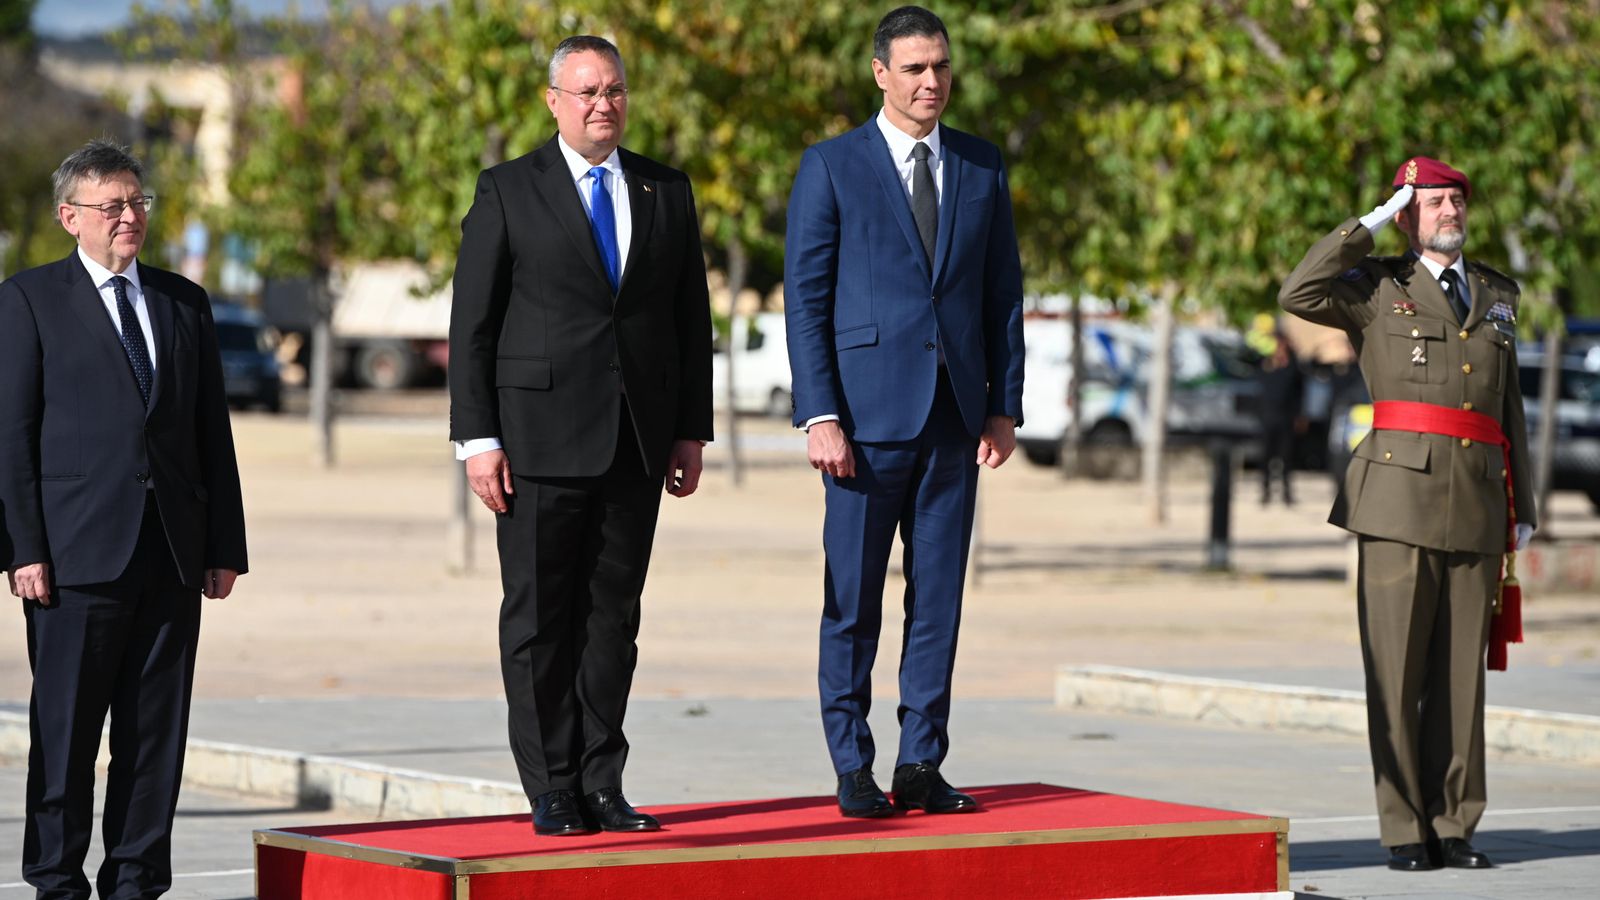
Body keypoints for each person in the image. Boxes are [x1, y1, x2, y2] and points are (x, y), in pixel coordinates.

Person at [448, 35, 712, 837]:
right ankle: (552, 787)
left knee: (613, 619)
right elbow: (473, 329)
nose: (605, 104)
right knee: (538, 621)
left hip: (636, 441)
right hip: (533, 443)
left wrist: (689, 431)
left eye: (616, 90)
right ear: (554, 100)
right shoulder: (506, 191)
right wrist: (477, 440)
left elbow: (687, 320)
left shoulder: (665, 189)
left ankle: (604, 782)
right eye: (588, 91)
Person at [783, 6, 1024, 819]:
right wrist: (819, 413)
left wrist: (1004, 407)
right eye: (915, 68)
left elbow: (1002, 297)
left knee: (939, 602)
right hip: (860, 427)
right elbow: (807, 302)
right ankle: (853, 765)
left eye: (942, 67)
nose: (932, 82)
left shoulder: (982, 167)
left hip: (955, 421)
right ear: (881, 73)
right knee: (852, 603)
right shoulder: (831, 166)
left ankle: (922, 762)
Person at [0, 140, 247, 899]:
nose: (129, 218)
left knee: (155, 735)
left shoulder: (183, 302)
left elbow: (211, 431)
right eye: (112, 206)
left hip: (171, 552)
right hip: (74, 559)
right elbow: (11, 434)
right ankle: (56, 878)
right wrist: (23, 548)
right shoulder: (28, 299)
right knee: (68, 733)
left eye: (138, 203)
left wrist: (224, 545)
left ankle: (138, 878)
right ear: (71, 217)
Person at [1279, 156, 1535, 872]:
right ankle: (1403, 829)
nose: (1450, 211)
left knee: (1461, 677)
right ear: (1407, 213)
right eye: (1432, 202)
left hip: (1479, 498)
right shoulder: (1374, 286)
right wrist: (1367, 227)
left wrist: (1526, 505)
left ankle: (1454, 823)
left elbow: (1506, 403)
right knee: (1394, 674)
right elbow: (1299, 290)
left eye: (1456, 199)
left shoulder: (1497, 292)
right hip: (1396, 502)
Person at [1255, 329, 1304, 506]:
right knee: (1266, 456)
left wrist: (1300, 416)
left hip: (1287, 418)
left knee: (1286, 457)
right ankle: (1265, 491)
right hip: (1268, 416)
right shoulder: (1264, 365)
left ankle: (1287, 493)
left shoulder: (1293, 366)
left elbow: (1300, 392)